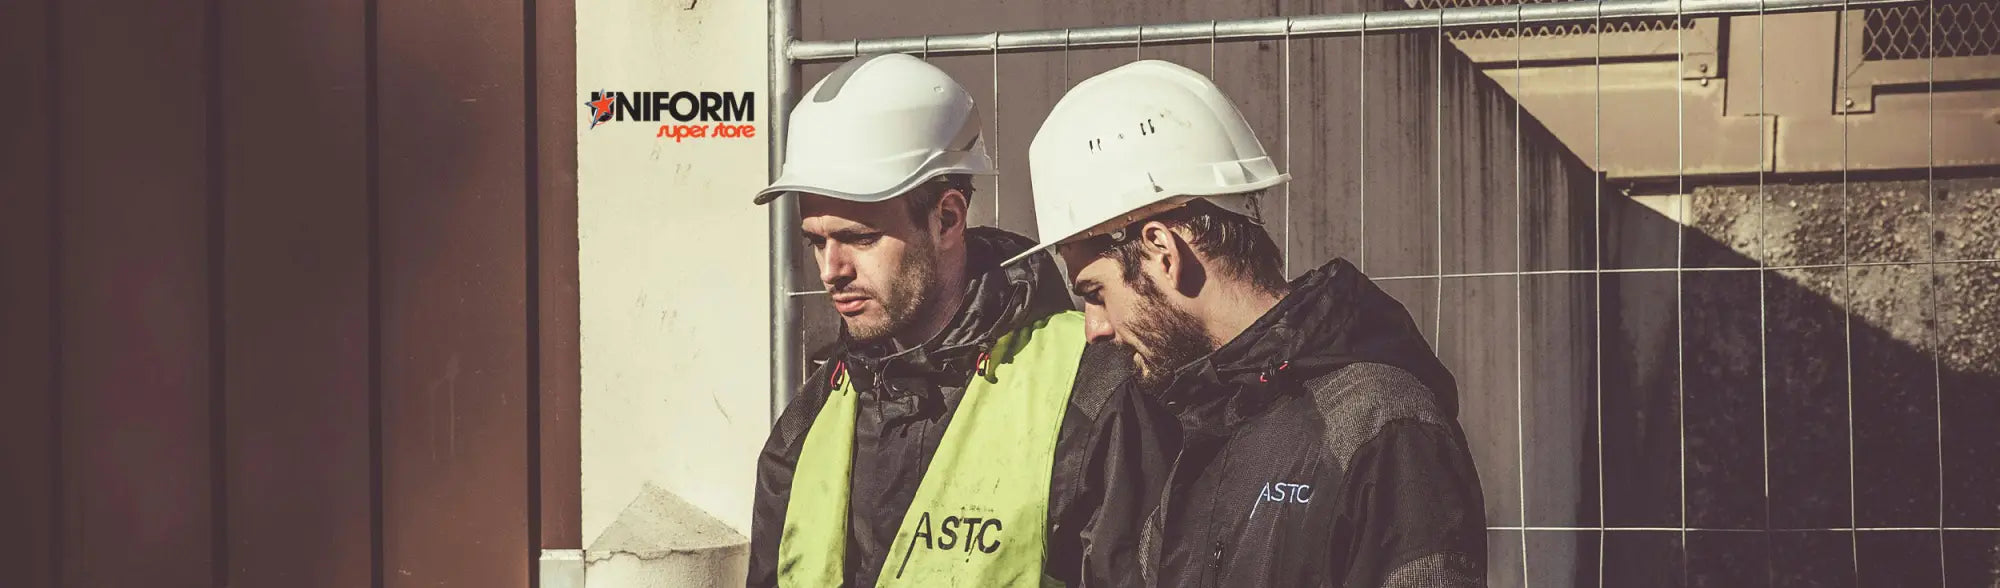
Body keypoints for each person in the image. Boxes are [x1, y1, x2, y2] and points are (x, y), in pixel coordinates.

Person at [1011, 59, 1489, 587]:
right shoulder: (1175, 415)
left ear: (1161, 251)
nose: (1095, 328)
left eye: (1096, 293)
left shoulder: (1384, 427)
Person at [746, 52, 1145, 587]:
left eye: (860, 238)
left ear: (948, 218)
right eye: (816, 241)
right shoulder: (814, 416)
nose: (831, 270)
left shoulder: (1091, 388)